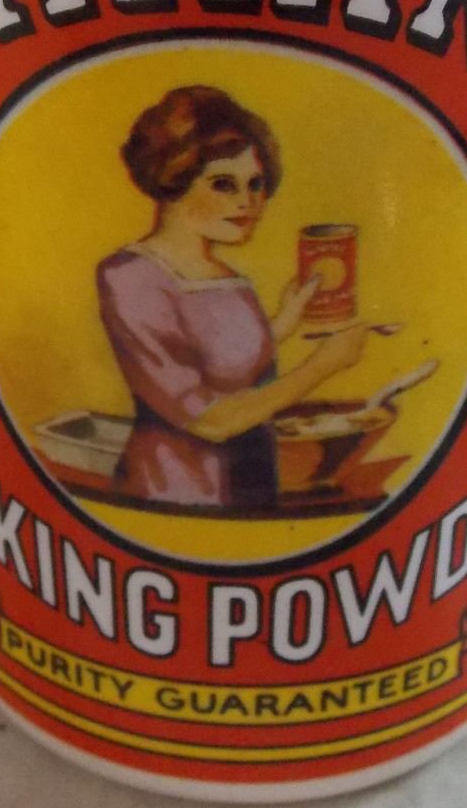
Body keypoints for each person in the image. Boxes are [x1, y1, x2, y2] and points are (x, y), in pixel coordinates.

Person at [96, 85, 369, 510]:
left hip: (254, 481)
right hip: (177, 492)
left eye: (256, 184)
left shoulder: (230, 278)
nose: (248, 202)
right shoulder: (131, 277)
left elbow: (229, 365)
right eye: (224, 184)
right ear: (173, 178)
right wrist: (323, 365)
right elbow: (210, 419)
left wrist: (285, 321)